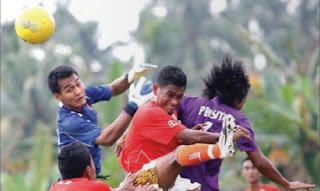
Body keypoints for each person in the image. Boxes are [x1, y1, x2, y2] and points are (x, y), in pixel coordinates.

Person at [176, 53, 315, 191]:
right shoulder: (238, 119)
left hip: (173, 182)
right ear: (238, 99)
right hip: (204, 187)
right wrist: (287, 184)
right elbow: (259, 161)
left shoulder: (188, 102)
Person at [118, 65, 251, 191]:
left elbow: (186, 137)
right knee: (179, 152)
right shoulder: (151, 111)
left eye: (179, 97)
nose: (174, 102)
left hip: (162, 177)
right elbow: (189, 137)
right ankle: (218, 149)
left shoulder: (172, 112)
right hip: (139, 180)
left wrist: (192, 133)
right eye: (170, 95)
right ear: (155, 89)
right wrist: (225, 137)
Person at [47, 63, 156, 176]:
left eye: (78, 84)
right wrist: (133, 105)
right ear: (58, 96)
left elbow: (113, 88)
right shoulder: (69, 122)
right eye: (69, 90)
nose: (78, 91)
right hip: (75, 182)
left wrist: (130, 76)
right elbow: (107, 138)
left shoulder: (83, 95)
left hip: (90, 176)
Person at [49, 142, 149, 191]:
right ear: (88, 170)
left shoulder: (55, 187)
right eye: (93, 163)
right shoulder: (96, 187)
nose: (95, 167)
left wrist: (122, 188)